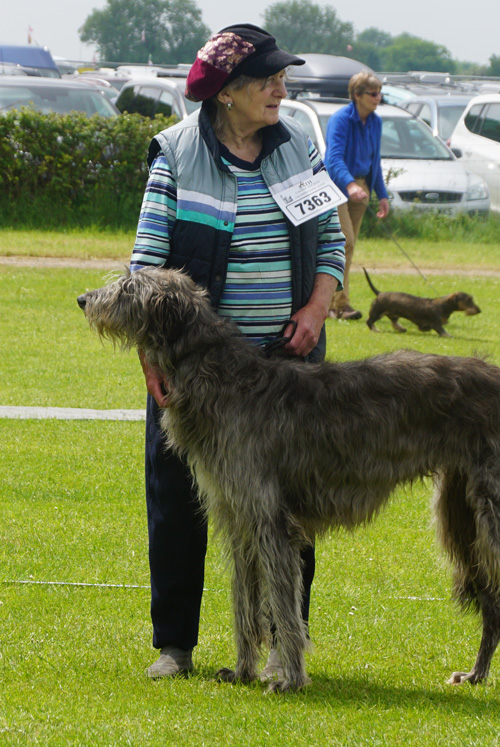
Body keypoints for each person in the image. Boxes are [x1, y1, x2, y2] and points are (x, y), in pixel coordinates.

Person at [129, 23, 346, 679]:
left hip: (287, 369)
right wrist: (152, 355)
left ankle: (286, 643)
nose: (281, 90)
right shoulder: (176, 155)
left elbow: (330, 244)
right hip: (199, 374)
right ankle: (177, 644)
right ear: (227, 93)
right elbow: (145, 266)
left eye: (282, 79)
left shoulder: (297, 148)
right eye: (268, 81)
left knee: (290, 507)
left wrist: (315, 307)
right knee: (180, 501)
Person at [324, 71, 390, 320]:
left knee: (347, 249)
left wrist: (382, 194)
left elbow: (376, 161)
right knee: (344, 242)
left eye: (380, 93)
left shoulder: (376, 122)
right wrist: (350, 185)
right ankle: (337, 304)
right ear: (357, 95)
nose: (378, 98)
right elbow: (333, 159)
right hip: (337, 187)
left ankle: (337, 305)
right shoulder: (340, 120)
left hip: (361, 187)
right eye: (373, 94)